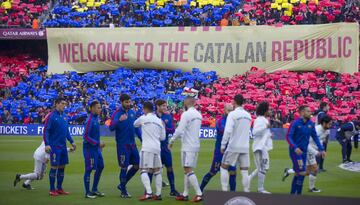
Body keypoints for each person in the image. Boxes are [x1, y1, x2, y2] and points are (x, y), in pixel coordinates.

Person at [282, 115, 332, 193]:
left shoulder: (327, 130)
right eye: (329, 124)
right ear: (324, 123)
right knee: (314, 169)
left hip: (314, 150)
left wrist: (322, 149)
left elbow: (320, 140)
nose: (330, 125)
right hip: (308, 150)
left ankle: (289, 171)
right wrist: (315, 152)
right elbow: (307, 142)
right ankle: (309, 188)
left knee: (307, 172)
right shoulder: (317, 129)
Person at [168, 97, 203, 202]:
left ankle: (199, 194)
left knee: (188, 169)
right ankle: (185, 194)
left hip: (188, 145)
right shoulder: (199, 115)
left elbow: (179, 129)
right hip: (195, 144)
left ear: (187, 102)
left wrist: (171, 141)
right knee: (186, 170)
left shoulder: (186, 114)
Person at [200, 104, 237, 192]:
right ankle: (200, 191)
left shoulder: (234, 122)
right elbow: (225, 131)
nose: (230, 113)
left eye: (232, 111)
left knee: (233, 173)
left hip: (231, 152)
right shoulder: (221, 121)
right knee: (213, 172)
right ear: (224, 110)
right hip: (220, 152)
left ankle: (232, 194)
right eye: (228, 110)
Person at [43, 97, 77, 197]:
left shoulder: (65, 116)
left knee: (62, 167)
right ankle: (52, 189)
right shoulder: (51, 116)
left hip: (63, 147)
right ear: (57, 104)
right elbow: (46, 131)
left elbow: (66, 131)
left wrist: (72, 141)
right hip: (54, 147)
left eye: (65, 104)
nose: (64, 106)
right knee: (54, 167)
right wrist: (47, 144)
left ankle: (59, 188)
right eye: (62, 103)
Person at [109, 94, 140, 198]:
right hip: (123, 145)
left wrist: (141, 138)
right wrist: (119, 121)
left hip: (132, 144)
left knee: (137, 165)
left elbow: (135, 128)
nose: (128, 104)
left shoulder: (132, 113)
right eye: (126, 102)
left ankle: (122, 184)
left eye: (129, 101)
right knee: (124, 167)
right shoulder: (117, 113)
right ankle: (123, 191)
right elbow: (111, 127)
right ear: (121, 102)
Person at [134, 102, 166, 201]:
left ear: (145, 109)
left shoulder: (143, 118)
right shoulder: (160, 121)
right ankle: (158, 194)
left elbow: (134, 124)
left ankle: (148, 192)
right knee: (157, 171)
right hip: (157, 148)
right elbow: (163, 138)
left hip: (147, 147)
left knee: (143, 170)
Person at [220, 94, 252, 192]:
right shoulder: (248, 115)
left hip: (233, 146)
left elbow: (228, 130)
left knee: (224, 167)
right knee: (244, 170)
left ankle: (225, 191)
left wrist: (223, 145)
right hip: (245, 146)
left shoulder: (232, 114)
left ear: (234, 102)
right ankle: (247, 191)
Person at [155, 99, 179, 196]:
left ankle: (173, 189)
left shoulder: (168, 117)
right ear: (158, 106)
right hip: (155, 147)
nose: (165, 107)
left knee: (169, 167)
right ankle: (149, 191)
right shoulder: (152, 117)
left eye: (166, 106)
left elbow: (172, 130)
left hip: (165, 147)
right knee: (154, 169)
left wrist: (164, 127)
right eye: (163, 106)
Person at [83, 101, 105, 199]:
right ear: (92, 108)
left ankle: (94, 189)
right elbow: (86, 136)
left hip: (96, 149)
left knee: (101, 166)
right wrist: (97, 143)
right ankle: (87, 192)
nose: (99, 109)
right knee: (89, 169)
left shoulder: (97, 118)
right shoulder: (90, 120)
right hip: (89, 149)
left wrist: (98, 145)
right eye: (97, 108)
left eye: (100, 108)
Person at [250, 101, 273, 194]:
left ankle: (248, 180)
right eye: (269, 109)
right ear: (265, 110)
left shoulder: (263, 119)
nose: (270, 111)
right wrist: (265, 128)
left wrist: (269, 134)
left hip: (262, 146)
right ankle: (260, 189)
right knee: (263, 168)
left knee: (263, 167)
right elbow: (254, 132)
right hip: (259, 147)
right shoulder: (259, 120)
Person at [315, 102, 330, 171]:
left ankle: (320, 167)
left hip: (322, 134)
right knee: (320, 151)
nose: (329, 107)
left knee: (322, 151)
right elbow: (322, 124)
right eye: (328, 106)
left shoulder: (321, 114)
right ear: (324, 107)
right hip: (320, 135)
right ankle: (317, 167)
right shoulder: (321, 114)